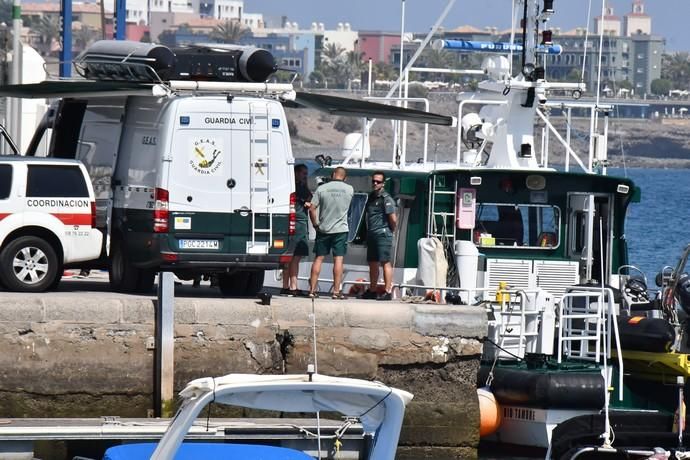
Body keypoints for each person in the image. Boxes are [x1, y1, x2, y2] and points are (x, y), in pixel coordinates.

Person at [308, 166, 353, 299]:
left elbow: (312, 208)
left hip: (324, 228)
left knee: (319, 258)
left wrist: (315, 224)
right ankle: (336, 292)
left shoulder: (322, 189)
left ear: (333, 174)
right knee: (338, 259)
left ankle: (312, 290)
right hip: (341, 229)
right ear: (345, 177)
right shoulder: (349, 189)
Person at [360, 171, 397, 301]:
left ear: (383, 183)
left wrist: (390, 231)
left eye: (378, 181)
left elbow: (393, 219)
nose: (375, 183)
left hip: (382, 234)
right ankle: (373, 289)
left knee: (385, 262)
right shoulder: (371, 197)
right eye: (373, 181)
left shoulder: (386, 198)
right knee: (372, 263)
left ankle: (387, 291)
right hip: (372, 234)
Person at [281, 164, 312, 296]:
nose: (305, 176)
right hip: (299, 223)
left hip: (291, 223)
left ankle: (285, 286)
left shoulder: (289, 186)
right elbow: (310, 198)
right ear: (297, 174)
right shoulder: (300, 188)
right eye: (303, 173)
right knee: (295, 257)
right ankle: (293, 286)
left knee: (289, 257)